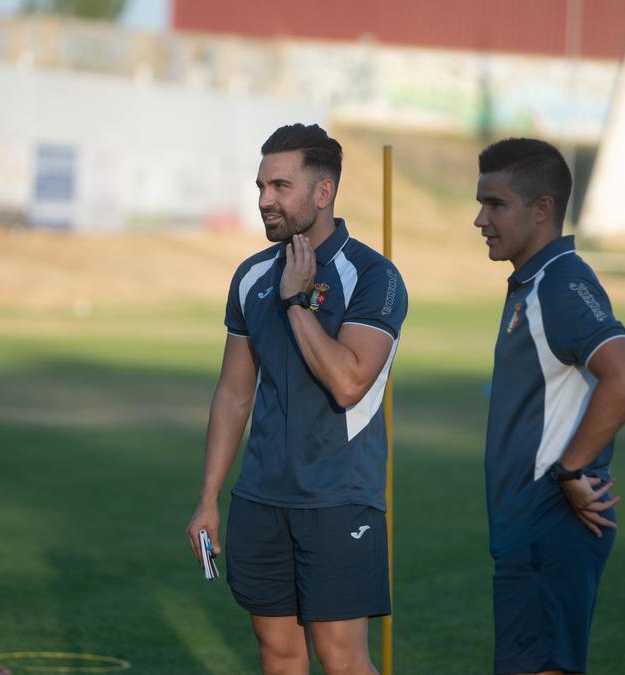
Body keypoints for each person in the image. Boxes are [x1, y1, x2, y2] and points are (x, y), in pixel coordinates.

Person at [186, 123, 407, 675]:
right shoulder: (251, 276)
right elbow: (233, 394)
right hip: (260, 499)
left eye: (281, 186)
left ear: (323, 192)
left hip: (339, 499)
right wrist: (209, 498)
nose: (265, 200)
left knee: (341, 658)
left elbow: (348, 382)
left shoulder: (373, 276)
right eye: (261, 187)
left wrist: (295, 302)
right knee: (279, 654)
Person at [474, 138, 625, 675]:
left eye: (495, 204)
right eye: (480, 204)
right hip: (530, 522)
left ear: (542, 209)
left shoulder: (560, 284)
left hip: (549, 519)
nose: (480, 220)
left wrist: (571, 468)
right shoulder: (533, 283)